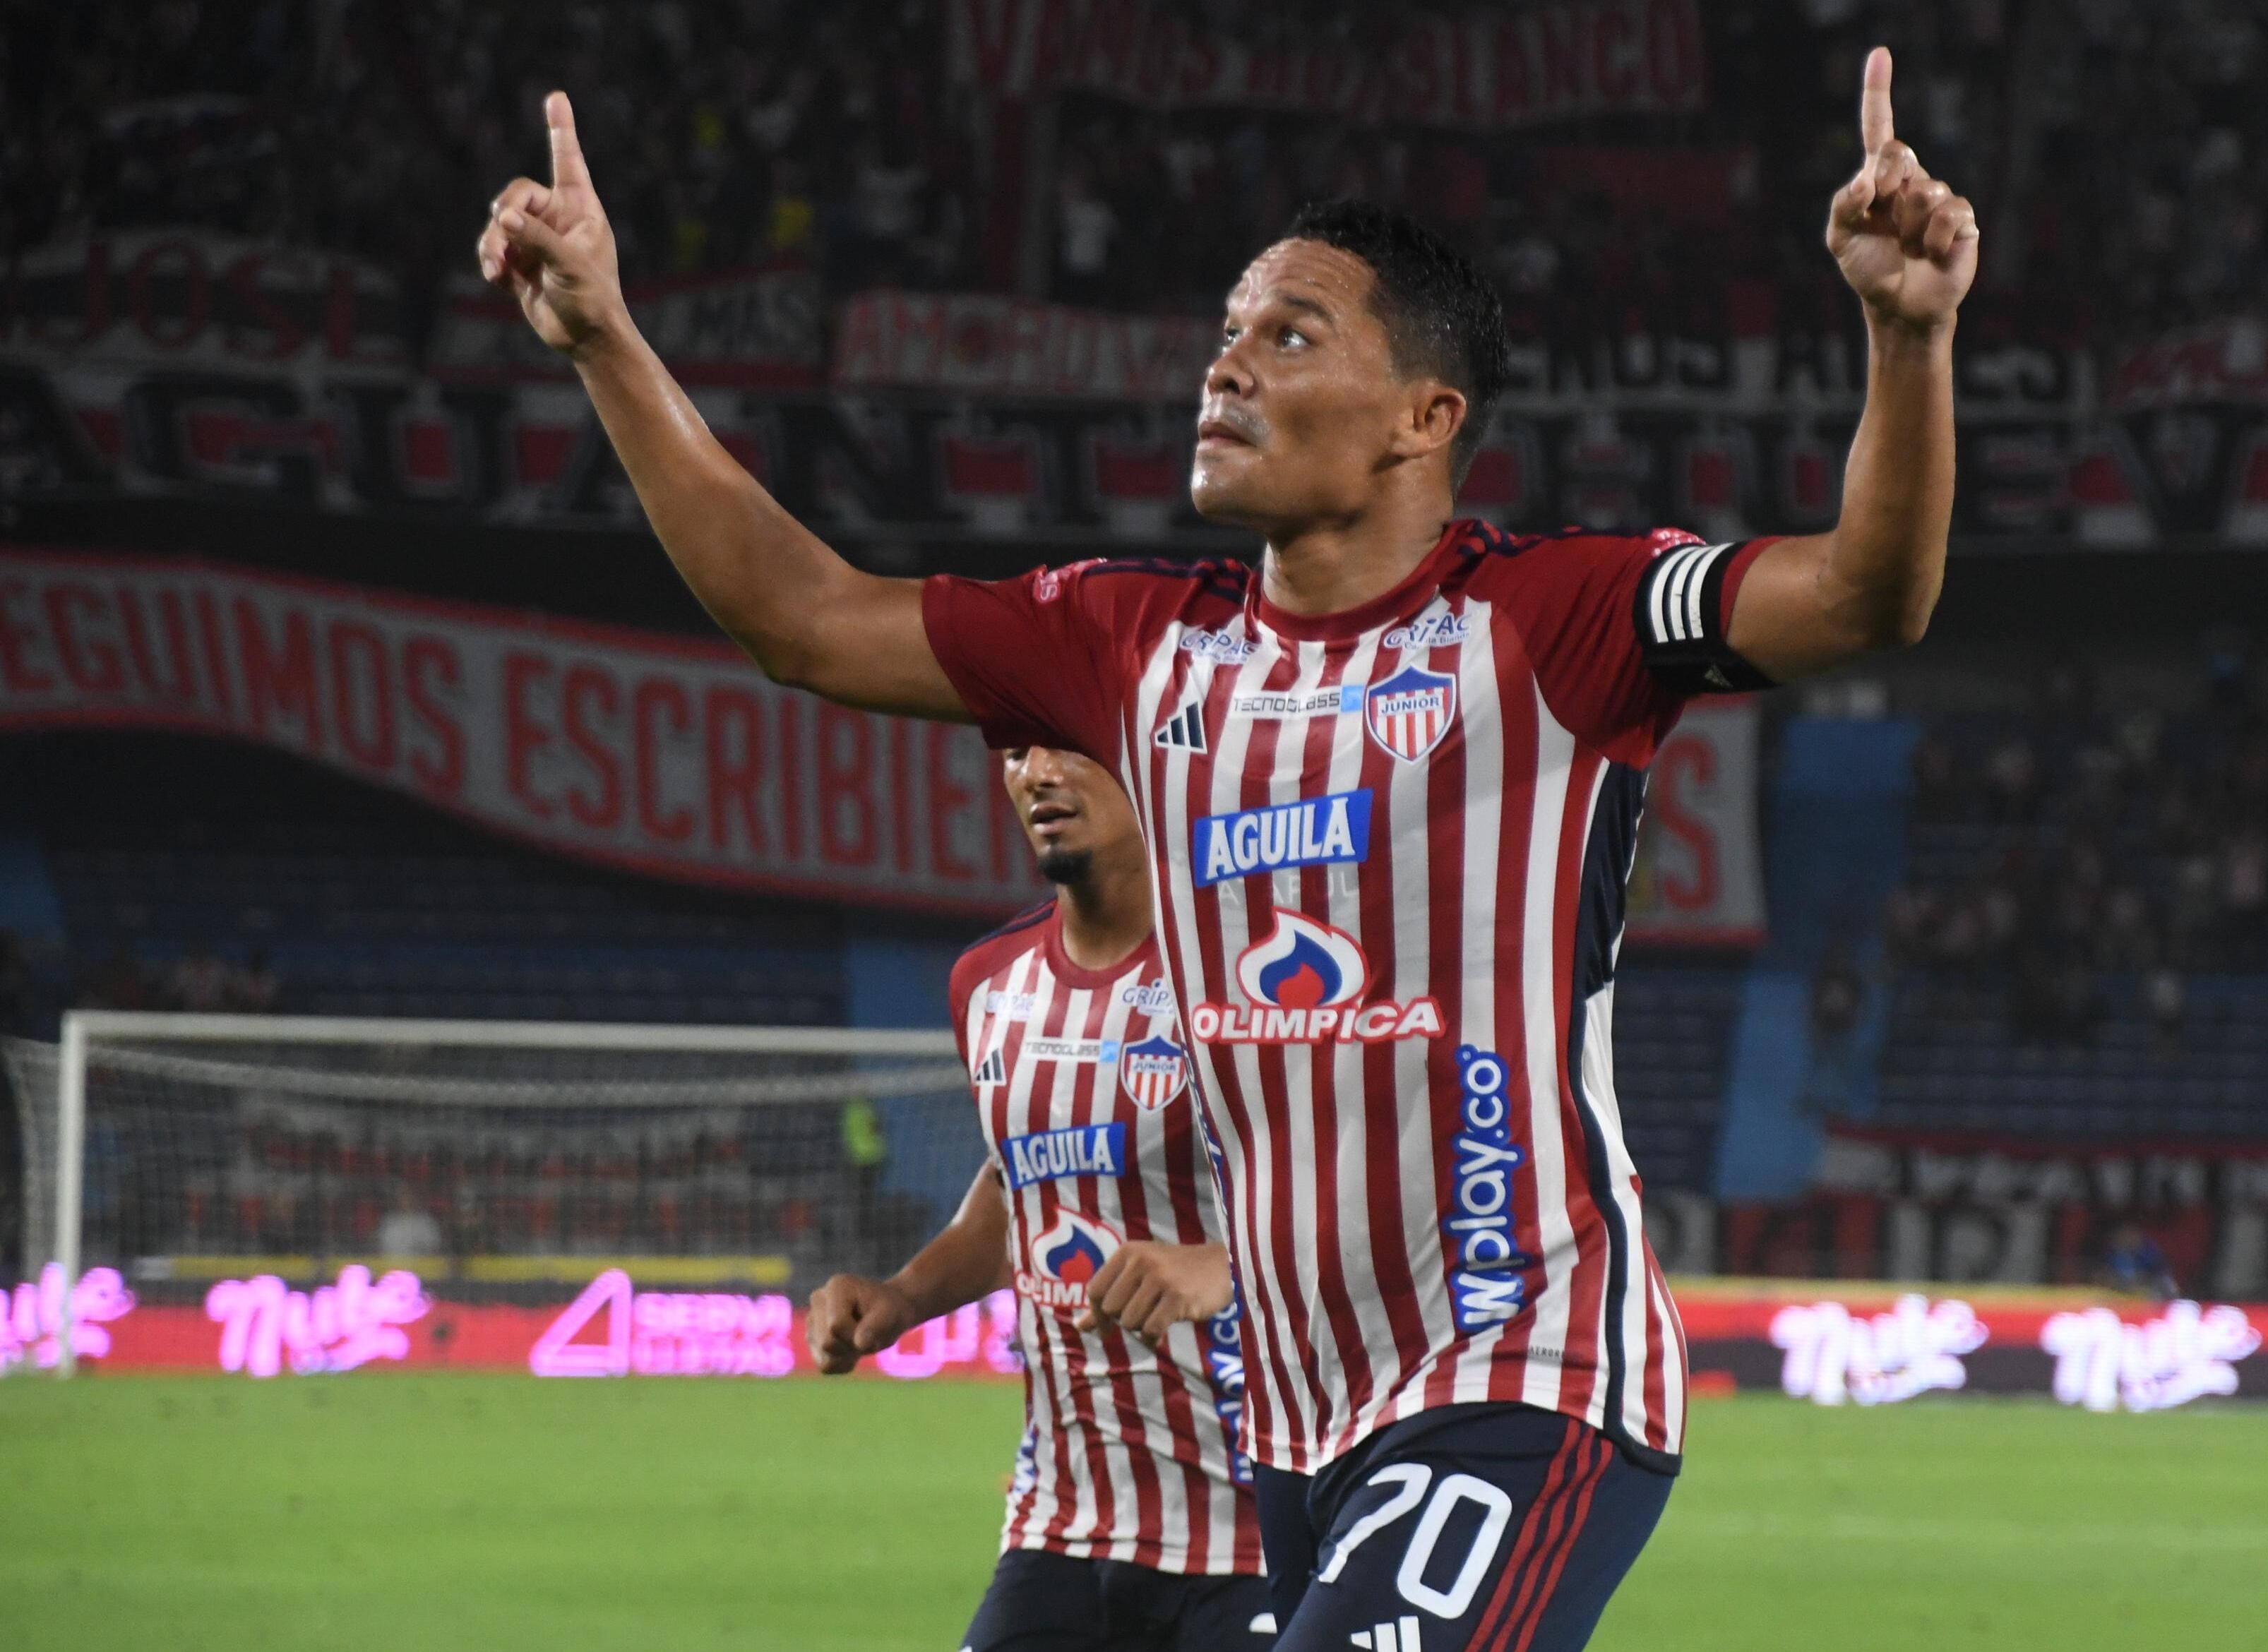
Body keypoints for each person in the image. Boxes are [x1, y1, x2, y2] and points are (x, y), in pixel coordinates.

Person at [483, 46, 1974, 1649]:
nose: (1225, 368)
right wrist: (606, 343)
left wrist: (1905, 338)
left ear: (1425, 415)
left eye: (1286, 333)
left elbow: (1860, 596)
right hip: (1296, 1422)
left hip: (1520, 1364)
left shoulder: (1557, 614)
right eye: (1223, 336)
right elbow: (803, 618)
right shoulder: (1134, 646)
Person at [806, 746, 1268, 1651]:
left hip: (1255, 1529)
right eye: (1014, 749)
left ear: (1153, 758)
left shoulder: (1247, 970)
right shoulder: (987, 983)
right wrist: (906, 1295)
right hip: (1061, 1525)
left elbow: (1378, 1189)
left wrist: (1229, 1262)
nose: (1035, 772)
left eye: (1070, 743)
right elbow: (1020, 1180)